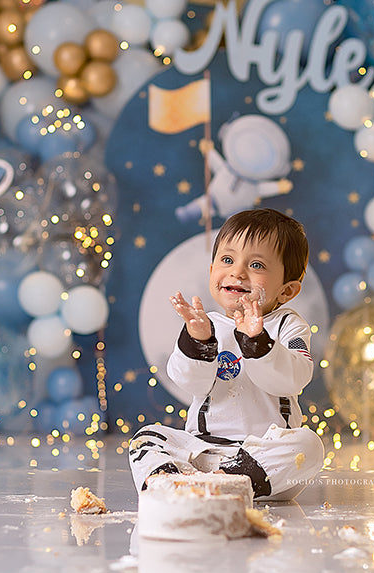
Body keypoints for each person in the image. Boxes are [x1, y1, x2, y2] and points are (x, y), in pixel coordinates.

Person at [128, 208, 325, 500]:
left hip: (262, 465)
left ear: (286, 291)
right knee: (147, 438)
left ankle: (227, 482)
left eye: (256, 265)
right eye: (228, 260)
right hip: (203, 454)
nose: (237, 272)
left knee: (309, 446)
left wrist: (256, 342)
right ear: (212, 272)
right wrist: (198, 342)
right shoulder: (205, 326)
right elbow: (188, 381)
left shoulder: (288, 326)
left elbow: (294, 379)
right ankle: (169, 485)